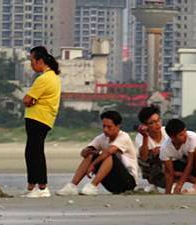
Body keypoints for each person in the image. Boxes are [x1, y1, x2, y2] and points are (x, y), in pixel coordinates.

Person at [57, 110, 138, 196]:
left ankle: (92, 186)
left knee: (108, 155)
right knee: (91, 154)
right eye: (104, 126)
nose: (105, 130)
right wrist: (86, 151)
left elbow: (108, 152)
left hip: (128, 182)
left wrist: (93, 165)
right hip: (111, 184)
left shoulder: (124, 137)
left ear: (118, 126)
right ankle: (72, 186)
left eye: (109, 127)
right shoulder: (102, 138)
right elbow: (84, 153)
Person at [22, 46, 61, 198]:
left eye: (32, 60)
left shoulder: (44, 78)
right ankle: (32, 186)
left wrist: (31, 101)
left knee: (35, 152)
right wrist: (32, 101)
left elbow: (26, 99)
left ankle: (42, 186)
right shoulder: (53, 77)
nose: (31, 64)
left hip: (39, 117)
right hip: (41, 118)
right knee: (31, 151)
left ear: (40, 61)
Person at [135, 105, 168, 191]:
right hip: (151, 168)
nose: (157, 124)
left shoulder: (167, 132)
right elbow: (143, 157)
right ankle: (153, 183)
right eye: (152, 123)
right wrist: (145, 137)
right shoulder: (140, 137)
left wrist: (161, 149)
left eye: (158, 120)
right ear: (144, 125)